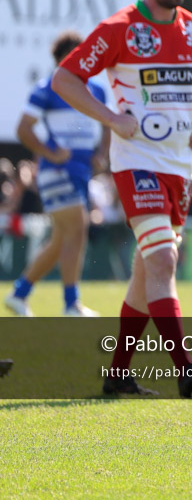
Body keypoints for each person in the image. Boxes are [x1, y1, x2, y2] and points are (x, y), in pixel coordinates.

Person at [52, 0, 192, 398]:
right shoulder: (119, 29)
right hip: (137, 164)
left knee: (145, 272)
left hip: (181, 166)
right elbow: (65, 79)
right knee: (164, 259)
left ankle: (117, 376)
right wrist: (112, 119)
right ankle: (186, 367)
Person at [4, 31, 109, 318]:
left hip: (81, 172)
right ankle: (71, 304)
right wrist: (50, 153)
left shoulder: (97, 90)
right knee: (78, 229)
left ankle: (19, 293)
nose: (80, 59)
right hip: (56, 172)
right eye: (73, 54)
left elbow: (107, 124)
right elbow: (24, 128)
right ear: (60, 58)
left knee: (63, 239)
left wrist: (102, 153)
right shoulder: (47, 88)